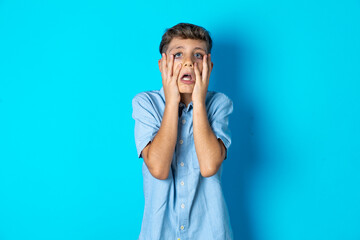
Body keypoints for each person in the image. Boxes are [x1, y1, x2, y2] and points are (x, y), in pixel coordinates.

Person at [132, 22, 234, 240]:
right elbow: (158, 168)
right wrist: (171, 103)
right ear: (162, 65)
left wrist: (198, 99)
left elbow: (208, 167)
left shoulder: (219, 104)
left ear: (209, 66)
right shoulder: (146, 103)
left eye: (198, 55)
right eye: (178, 54)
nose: (188, 62)